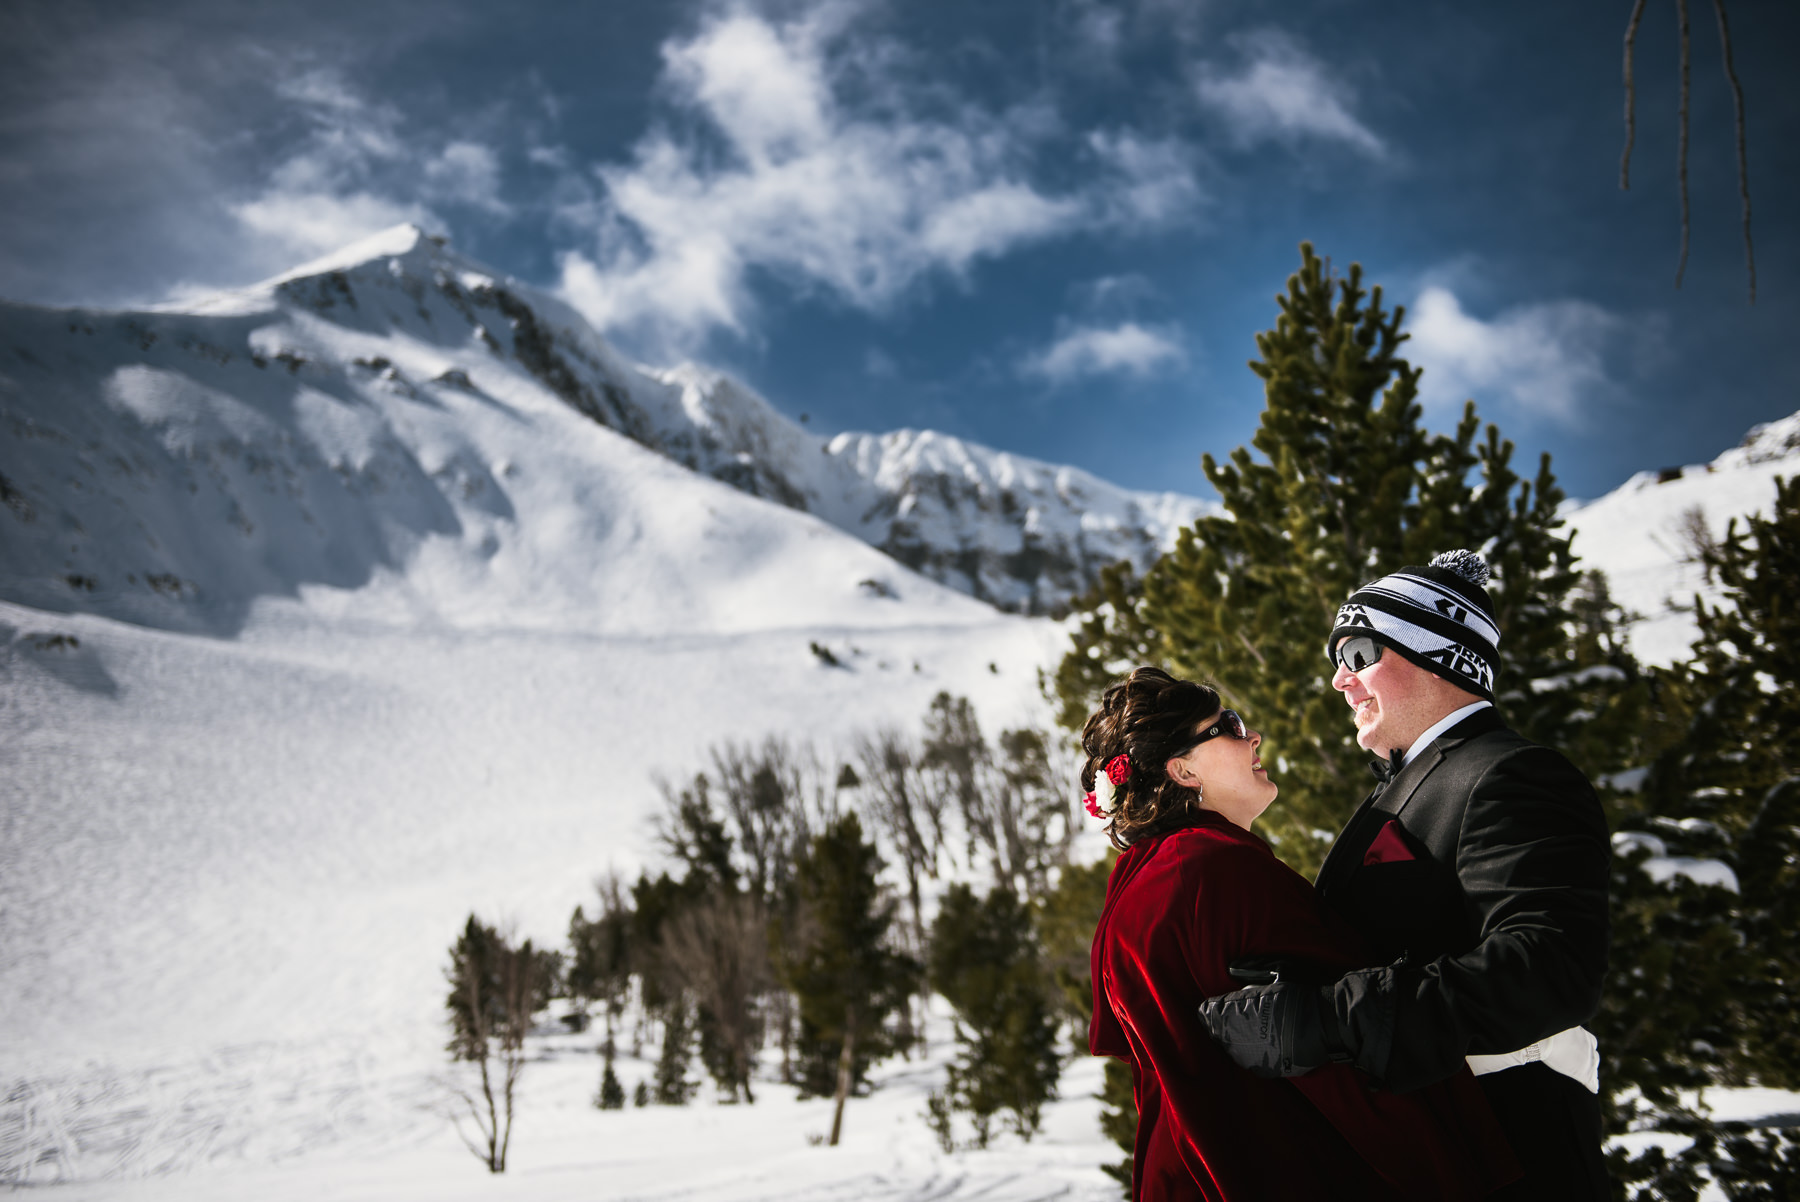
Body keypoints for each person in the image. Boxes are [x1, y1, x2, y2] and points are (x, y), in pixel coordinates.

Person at [1197, 550, 1612, 1201]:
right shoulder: (1413, 785)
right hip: (1439, 1153)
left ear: (1440, 655)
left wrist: (1325, 1021)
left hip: (1514, 1148)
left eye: (1359, 653)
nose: (1339, 680)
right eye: (1336, 661)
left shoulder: (1509, 773)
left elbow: (1551, 967)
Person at [1086, 666, 1520, 1201]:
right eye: (1227, 725)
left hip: (1185, 1171)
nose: (1252, 735)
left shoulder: (1143, 877)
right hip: (1262, 1166)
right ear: (1182, 771)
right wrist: (1446, 1160)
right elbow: (1327, 1051)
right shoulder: (1212, 871)